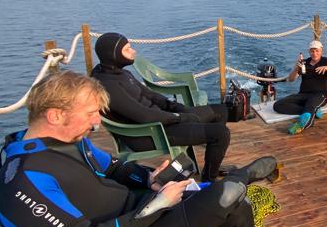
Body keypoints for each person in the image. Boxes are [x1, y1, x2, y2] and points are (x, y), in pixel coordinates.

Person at [0, 70, 296, 227]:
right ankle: (242, 176)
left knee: (237, 207)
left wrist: (149, 180)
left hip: (139, 222)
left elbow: (114, 168)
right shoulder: (23, 179)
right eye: (90, 114)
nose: (98, 123)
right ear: (55, 115)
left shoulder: (67, 143)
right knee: (226, 195)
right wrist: (157, 205)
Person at [91, 32, 237, 182]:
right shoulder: (107, 86)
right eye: (127, 49)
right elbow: (144, 116)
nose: (133, 51)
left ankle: (212, 164)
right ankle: (209, 180)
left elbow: (150, 95)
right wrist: (179, 117)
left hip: (161, 120)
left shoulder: (121, 73)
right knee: (221, 134)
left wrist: (178, 108)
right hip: (149, 134)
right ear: (113, 55)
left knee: (221, 111)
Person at [273, 40, 327, 135]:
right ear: (309, 52)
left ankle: (302, 125)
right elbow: (291, 79)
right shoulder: (304, 62)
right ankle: (311, 112)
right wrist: (296, 68)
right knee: (278, 105)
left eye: (317, 50)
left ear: (321, 51)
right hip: (303, 94)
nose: (314, 53)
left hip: (319, 95)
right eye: (312, 51)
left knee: (310, 105)